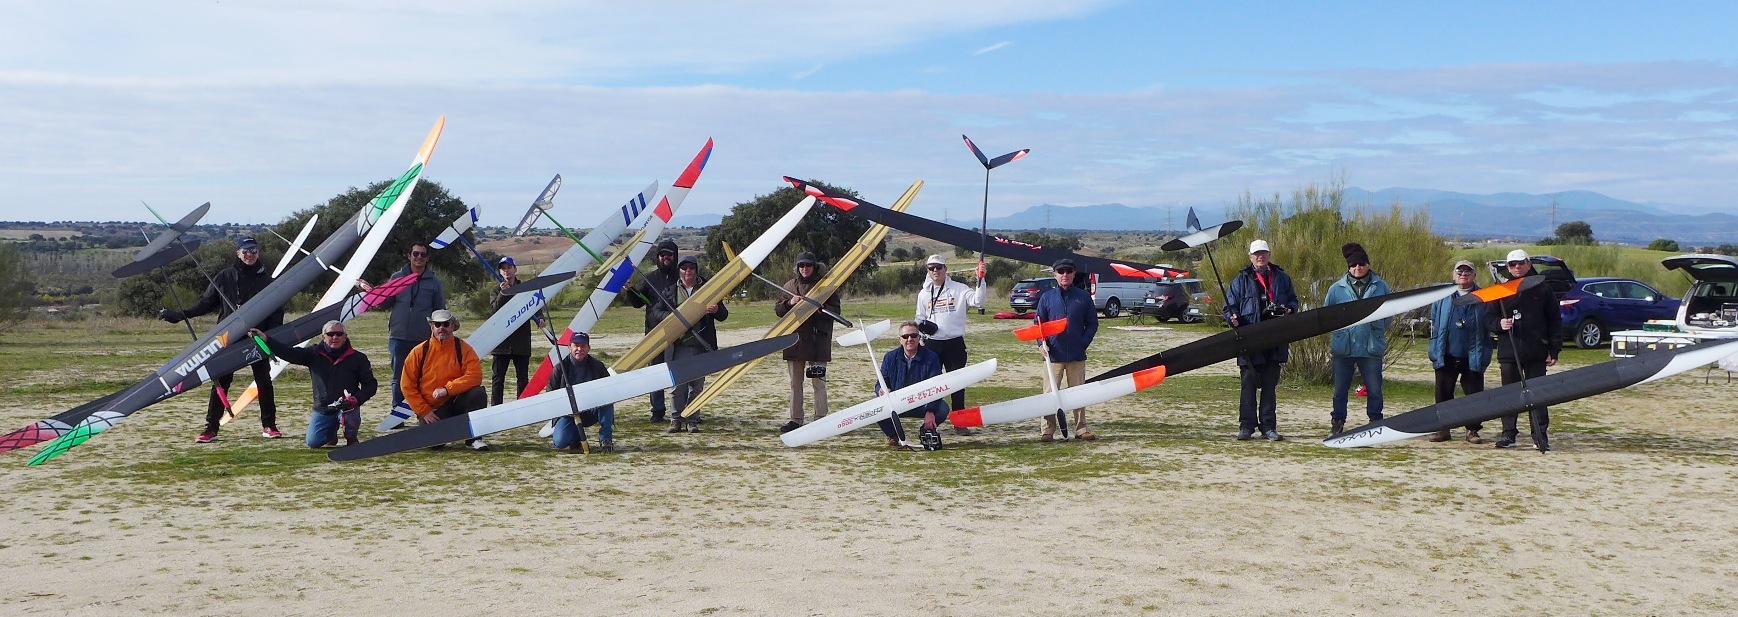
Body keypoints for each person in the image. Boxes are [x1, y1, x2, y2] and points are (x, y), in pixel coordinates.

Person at [160, 235, 283, 443]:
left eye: (253, 250)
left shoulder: (266, 280)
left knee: (263, 381)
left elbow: (276, 311)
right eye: (245, 251)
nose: (250, 254)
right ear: (238, 253)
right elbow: (205, 304)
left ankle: (269, 426)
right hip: (228, 337)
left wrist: (268, 335)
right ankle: (211, 428)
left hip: (256, 337)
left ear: (258, 252)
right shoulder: (225, 276)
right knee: (221, 380)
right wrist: (181, 315)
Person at [250, 321, 376, 448]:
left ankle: (351, 439)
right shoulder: (314, 354)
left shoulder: (359, 358)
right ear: (323, 337)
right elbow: (289, 353)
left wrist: (356, 399)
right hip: (324, 408)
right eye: (330, 334)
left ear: (345, 337)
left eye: (339, 334)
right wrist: (266, 340)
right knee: (313, 442)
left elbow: (370, 385)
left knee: (350, 415)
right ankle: (331, 433)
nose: (335, 337)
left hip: (347, 407)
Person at [1485, 249, 1562, 451]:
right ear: (1508, 267)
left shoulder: (1542, 288)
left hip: (1536, 351)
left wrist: (1554, 349)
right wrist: (1499, 324)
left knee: (1537, 394)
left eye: (1521, 263)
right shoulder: (1501, 290)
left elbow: (1555, 320)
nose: (1517, 267)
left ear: (1529, 264)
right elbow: (1488, 318)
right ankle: (1508, 434)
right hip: (1509, 352)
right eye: (1513, 264)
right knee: (1509, 395)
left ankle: (1540, 435)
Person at [1224, 239, 1299, 442]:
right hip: (1249, 341)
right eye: (1256, 254)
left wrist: (1289, 309)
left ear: (1269, 255)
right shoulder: (1240, 280)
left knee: (1269, 386)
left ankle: (1268, 427)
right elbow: (1229, 306)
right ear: (1250, 257)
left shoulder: (1282, 278)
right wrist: (1232, 318)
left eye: (1263, 253)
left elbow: (1293, 301)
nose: (1260, 257)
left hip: (1275, 339)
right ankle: (1246, 426)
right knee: (1248, 385)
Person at [1323, 242, 1393, 435]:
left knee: (1374, 389)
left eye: (1361, 264)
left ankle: (1376, 422)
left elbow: (1389, 315)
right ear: (1348, 267)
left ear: (1368, 265)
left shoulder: (1381, 286)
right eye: (1353, 265)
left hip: (1371, 347)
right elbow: (1327, 316)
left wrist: (1377, 331)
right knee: (1340, 390)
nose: (1358, 268)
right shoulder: (1336, 289)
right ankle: (1337, 422)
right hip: (1344, 348)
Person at [915, 254, 985, 436]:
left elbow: (978, 301)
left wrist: (980, 279)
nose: (935, 271)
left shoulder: (959, 289)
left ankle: (960, 423)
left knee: (957, 385)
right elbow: (919, 317)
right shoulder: (924, 293)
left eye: (938, 267)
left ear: (945, 269)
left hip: (954, 343)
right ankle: (931, 420)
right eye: (931, 268)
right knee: (932, 384)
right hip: (932, 344)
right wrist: (921, 336)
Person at [400, 309, 488, 450]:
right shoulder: (418, 352)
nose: (442, 328)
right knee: (434, 445)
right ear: (432, 327)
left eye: (446, 324)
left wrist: (447, 390)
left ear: (452, 326)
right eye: (437, 324)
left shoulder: (464, 349)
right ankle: (442, 431)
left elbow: (475, 376)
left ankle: (474, 438)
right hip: (433, 409)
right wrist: (424, 411)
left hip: (457, 401)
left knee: (477, 393)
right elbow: (407, 385)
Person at [1427, 259, 1492, 443]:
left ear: (1474, 275)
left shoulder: (1483, 297)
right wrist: (1434, 347)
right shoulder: (1442, 296)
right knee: (1443, 393)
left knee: (1474, 394)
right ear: (1453, 275)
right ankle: (1444, 429)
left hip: (1473, 353)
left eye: (1467, 272)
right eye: (1460, 271)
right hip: (1446, 352)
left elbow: (1490, 323)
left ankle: (1472, 430)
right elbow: (1434, 321)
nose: (1463, 275)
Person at [1034, 258, 1100, 442]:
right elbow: (1038, 324)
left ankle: (1081, 429)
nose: (1065, 275)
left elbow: (1092, 324)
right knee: (1049, 393)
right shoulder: (1047, 297)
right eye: (1061, 271)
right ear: (1055, 274)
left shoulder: (1083, 297)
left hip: (1076, 355)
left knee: (1079, 393)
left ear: (1074, 273)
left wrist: (1083, 343)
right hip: (1053, 356)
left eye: (1068, 271)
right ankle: (1047, 429)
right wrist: (1041, 344)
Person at [375, 243, 446, 411]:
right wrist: (375, 294)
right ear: (409, 256)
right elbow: (385, 303)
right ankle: (397, 413)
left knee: (424, 377)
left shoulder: (435, 282)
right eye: (415, 254)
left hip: (423, 337)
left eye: (423, 255)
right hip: (398, 336)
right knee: (398, 377)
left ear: (428, 258)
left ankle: (422, 413)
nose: (419, 257)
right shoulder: (397, 278)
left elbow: (439, 310)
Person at [776, 252, 841, 434]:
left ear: (815, 266)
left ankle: (821, 419)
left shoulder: (826, 286)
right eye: (801, 266)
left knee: (818, 382)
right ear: (798, 268)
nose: (805, 269)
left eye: (808, 265)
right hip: (795, 342)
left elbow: (836, 311)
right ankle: (795, 419)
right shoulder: (789, 286)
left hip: (817, 340)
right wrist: (789, 303)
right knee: (795, 384)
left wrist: (820, 308)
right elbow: (778, 310)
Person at [667, 254, 728, 433]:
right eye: (684, 268)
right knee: (678, 386)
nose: (688, 271)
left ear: (696, 270)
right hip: (678, 345)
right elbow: (657, 312)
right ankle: (676, 419)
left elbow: (723, 315)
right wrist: (672, 317)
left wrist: (716, 309)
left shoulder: (708, 289)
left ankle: (692, 419)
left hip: (701, 344)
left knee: (697, 386)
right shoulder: (670, 290)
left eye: (691, 268)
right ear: (679, 270)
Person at [625, 239, 681, 423]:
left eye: (669, 255)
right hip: (654, 333)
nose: (665, 258)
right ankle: (657, 410)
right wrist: (630, 290)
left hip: (678, 333)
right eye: (662, 255)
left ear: (675, 257)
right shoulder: (649, 278)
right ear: (658, 257)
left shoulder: (681, 277)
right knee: (655, 373)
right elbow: (637, 302)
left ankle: (682, 409)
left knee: (678, 372)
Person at [876, 321, 948, 448]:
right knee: (876, 408)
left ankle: (926, 430)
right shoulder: (890, 357)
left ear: (919, 338)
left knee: (942, 408)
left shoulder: (931, 357)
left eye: (913, 336)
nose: (909, 339)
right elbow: (881, 381)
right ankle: (893, 435)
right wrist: (880, 390)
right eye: (905, 336)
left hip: (921, 403)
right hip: (897, 404)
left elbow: (937, 386)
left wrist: (930, 411)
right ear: (900, 340)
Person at [547, 332, 616, 452]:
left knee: (607, 401)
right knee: (560, 442)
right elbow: (550, 395)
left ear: (589, 348)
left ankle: (606, 439)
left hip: (592, 410)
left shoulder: (598, 366)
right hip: (568, 414)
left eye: (583, 346)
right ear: (569, 347)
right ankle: (576, 438)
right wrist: (565, 409)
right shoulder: (559, 368)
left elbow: (609, 391)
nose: (579, 349)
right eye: (576, 345)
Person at [488, 256, 532, 406]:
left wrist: (540, 317)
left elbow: (533, 304)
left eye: (509, 267)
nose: (506, 270)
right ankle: (495, 408)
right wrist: (502, 293)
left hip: (521, 341)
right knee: (498, 378)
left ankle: (522, 406)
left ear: (515, 269)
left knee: (522, 378)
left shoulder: (525, 288)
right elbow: (494, 310)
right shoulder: (496, 290)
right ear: (500, 272)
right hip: (501, 342)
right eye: (503, 268)